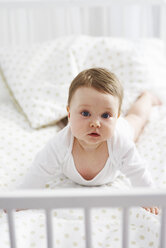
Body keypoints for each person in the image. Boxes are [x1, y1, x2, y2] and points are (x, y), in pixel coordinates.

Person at [18, 68, 161, 214]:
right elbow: (39, 169)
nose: (95, 123)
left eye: (106, 115)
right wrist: (23, 199)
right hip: (74, 127)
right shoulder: (60, 143)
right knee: (74, 128)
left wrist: (148, 197)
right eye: (85, 113)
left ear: (116, 117)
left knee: (136, 118)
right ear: (69, 112)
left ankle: (147, 98)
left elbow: (138, 170)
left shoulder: (120, 142)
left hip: (124, 129)